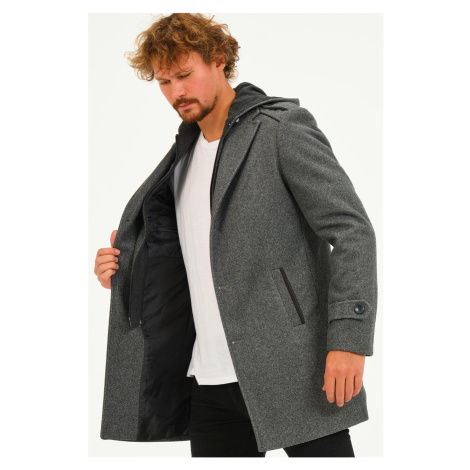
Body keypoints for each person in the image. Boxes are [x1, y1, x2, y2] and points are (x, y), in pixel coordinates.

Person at [95, 13, 377, 457]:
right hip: (209, 381)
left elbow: (351, 230)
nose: (176, 92)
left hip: (293, 367)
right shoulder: (181, 160)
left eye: (184, 75)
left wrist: (348, 340)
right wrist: (125, 267)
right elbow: (187, 259)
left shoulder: (281, 129)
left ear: (219, 60)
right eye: (164, 82)